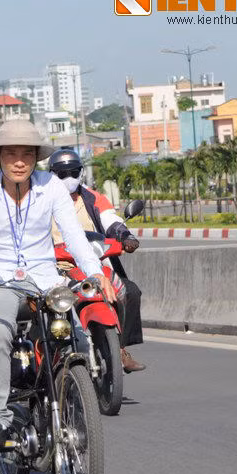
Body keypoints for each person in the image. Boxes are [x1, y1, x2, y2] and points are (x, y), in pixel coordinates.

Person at [0, 120, 116, 447]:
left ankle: (73, 396)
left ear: (36, 158)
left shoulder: (51, 187)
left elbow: (73, 234)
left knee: (76, 336)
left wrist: (95, 270)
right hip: (0, 282)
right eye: (11, 154)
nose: (19, 161)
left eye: (27, 154)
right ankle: (0, 418)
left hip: (45, 280)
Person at [49, 149, 146, 372]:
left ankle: (119, 348)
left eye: (73, 172)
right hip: (57, 269)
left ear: (81, 172)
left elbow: (111, 220)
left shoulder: (92, 198)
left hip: (94, 266)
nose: (68, 178)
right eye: (62, 174)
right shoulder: (42, 201)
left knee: (130, 292)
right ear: (52, 175)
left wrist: (125, 236)